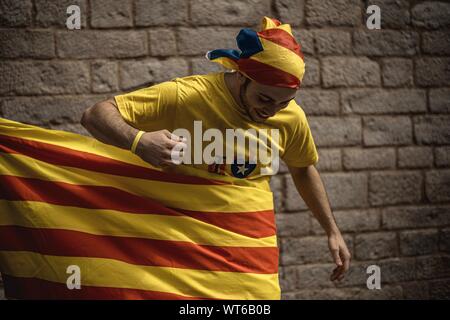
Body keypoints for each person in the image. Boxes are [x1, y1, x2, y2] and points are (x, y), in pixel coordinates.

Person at [81, 16, 351, 285]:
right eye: (264, 99)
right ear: (242, 76)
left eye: (283, 103)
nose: (271, 111)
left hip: (250, 254)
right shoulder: (186, 95)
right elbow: (95, 114)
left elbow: (302, 167)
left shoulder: (291, 116)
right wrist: (138, 141)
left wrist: (332, 230)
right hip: (179, 249)